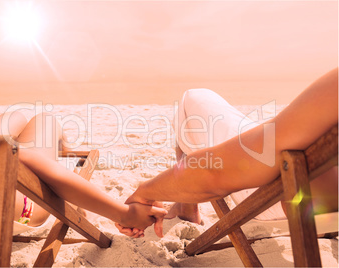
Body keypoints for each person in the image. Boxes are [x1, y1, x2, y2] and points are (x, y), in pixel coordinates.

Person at [117, 67, 338, 237]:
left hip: (284, 197)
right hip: (325, 206)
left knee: (193, 98)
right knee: (263, 131)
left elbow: (213, 172)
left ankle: (187, 208)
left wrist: (145, 192)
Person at [0, 109, 167, 237]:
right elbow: (22, 162)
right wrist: (123, 213)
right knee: (42, 120)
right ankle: (60, 147)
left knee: (15, 118)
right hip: (23, 209)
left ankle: (57, 147)